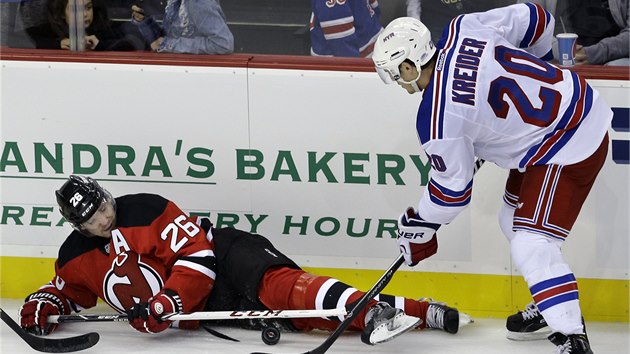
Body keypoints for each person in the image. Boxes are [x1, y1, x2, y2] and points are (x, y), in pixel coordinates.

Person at [371, 2, 612, 354]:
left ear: (408, 66)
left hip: (568, 140)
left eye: (396, 73)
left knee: (531, 242)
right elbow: (538, 18)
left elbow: (452, 193)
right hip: (566, 114)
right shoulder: (463, 27)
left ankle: (572, 337)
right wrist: (542, 65)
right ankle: (550, 305)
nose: (398, 82)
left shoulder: (438, 117)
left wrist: (420, 224)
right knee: (512, 220)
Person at [18, 175, 464, 345]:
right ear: (77, 227)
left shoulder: (146, 208)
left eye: (102, 208)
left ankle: (386, 313)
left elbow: (197, 256)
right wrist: (44, 306)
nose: (104, 219)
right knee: (300, 318)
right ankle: (418, 310)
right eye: (92, 220)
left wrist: (168, 303)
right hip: (207, 308)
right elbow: (68, 292)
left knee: (287, 291)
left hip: (225, 256)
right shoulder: (74, 256)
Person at [18, 0, 144, 51]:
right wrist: (59, 44)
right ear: (62, 13)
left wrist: (97, 45)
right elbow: (17, 40)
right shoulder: (48, 30)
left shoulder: (103, 28)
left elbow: (132, 43)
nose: (84, 14)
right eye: (76, 9)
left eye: (88, 8)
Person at [130, 0, 233, 54]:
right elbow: (166, 38)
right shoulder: (175, 2)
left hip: (194, 76)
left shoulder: (199, 3)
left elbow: (223, 44)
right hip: (178, 72)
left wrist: (169, 45)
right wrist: (145, 22)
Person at [309, 0, 383, 57]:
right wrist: (357, 70)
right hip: (339, 65)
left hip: (376, 50)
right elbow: (341, 46)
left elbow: (374, 10)